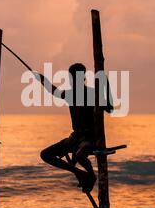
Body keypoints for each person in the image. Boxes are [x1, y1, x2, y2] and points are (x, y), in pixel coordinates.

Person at [38, 63, 113, 193]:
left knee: (79, 155)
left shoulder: (92, 93)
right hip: (75, 137)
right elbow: (53, 91)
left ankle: (91, 176)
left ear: (83, 77)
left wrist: (106, 84)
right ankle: (81, 173)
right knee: (45, 154)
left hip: (90, 138)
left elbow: (110, 109)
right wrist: (42, 79)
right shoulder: (70, 94)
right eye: (72, 77)